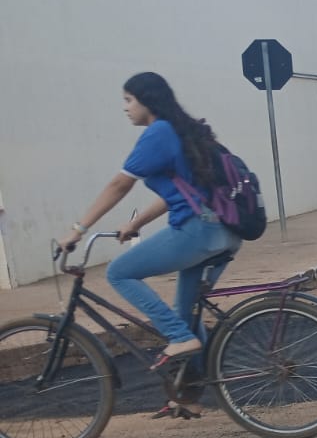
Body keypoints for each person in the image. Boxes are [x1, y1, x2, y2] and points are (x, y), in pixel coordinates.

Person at [61, 72, 242, 371]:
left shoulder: (159, 132)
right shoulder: (183, 130)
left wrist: (78, 229)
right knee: (184, 313)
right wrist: (136, 224)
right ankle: (194, 388)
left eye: (129, 100)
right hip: (224, 230)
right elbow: (180, 193)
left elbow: (119, 185)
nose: (125, 107)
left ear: (147, 101)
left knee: (119, 272)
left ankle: (178, 338)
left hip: (197, 231)